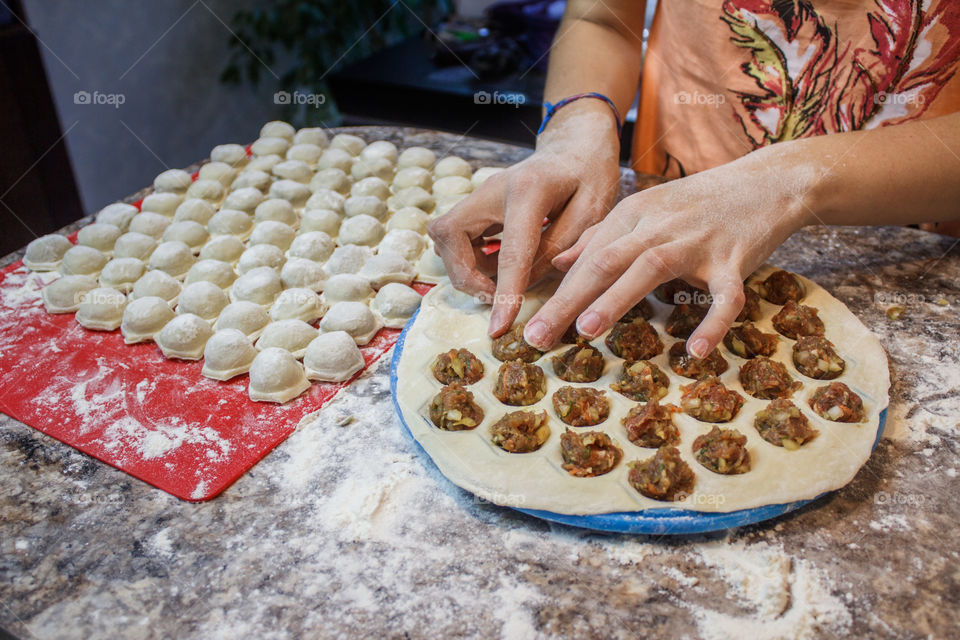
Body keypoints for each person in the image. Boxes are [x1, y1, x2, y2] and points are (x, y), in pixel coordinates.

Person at [427, 0, 960, 360]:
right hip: (669, 190)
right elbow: (603, 18)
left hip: (905, 212)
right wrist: (578, 122)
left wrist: (789, 179)